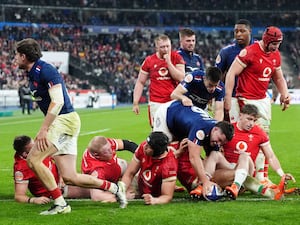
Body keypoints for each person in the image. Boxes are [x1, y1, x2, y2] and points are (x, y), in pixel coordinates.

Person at [14, 38, 127, 215]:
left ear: (23, 56)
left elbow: (58, 102)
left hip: (64, 120)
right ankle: (114, 188)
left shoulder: (46, 69)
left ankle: (60, 204)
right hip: (63, 121)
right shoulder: (32, 74)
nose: (15, 59)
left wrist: (44, 129)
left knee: (33, 160)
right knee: (69, 177)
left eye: (17, 55)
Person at [224, 26, 291, 184]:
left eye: (278, 43)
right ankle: (236, 173)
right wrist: (228, 97)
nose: (276, 47)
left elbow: (279, 78)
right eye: (274, 43)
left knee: (264, 137)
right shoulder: (250, 52)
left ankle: (262, 176)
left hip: (263, 99)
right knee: (249, 135)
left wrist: (285, 94)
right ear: (267, 40)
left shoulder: (275, 55)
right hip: (245, 98)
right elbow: (231, 73)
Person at [202, 104, 295, 200]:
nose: (251, 123)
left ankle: (236, 187)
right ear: (240, 115)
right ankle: (203, 184)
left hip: (246, 169)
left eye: (254, 120)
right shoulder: (229, 130)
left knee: (244, 155)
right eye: (249, 119)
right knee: (214, 154)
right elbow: (211, 153)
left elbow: (270, 156)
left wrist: (282, 174)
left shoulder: (259, 133)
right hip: (227, 170)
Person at [153, 100, 234, 197]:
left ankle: (238, 175)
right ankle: (152, 184)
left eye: (222, 142)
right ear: (215, 129)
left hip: (183, 120)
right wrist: (205, 181)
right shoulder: (201, 129)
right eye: (219, 140)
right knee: (160, 150)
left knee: (213, 154)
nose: (218, 143)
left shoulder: (215, 133)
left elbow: (212, 158)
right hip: (167, 113)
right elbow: (194, 158)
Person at [13, 135, 90, 205]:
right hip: (57, 190)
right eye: (33, 147)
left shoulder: (39, 150)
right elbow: (19, 196)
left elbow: (57, 159)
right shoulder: (21, 168)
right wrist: (33, 200)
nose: (36, 147)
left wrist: (61, 177)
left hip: (63, 181)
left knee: (89, 180)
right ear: (25, 154)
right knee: (92, 189)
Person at [132, 34, 185, 127]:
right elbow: (140, 82)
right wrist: (135, 102)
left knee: (176, 130)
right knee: (157, 133)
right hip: (156, 102)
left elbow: (180, 78)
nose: (166, 49)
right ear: (156, 47)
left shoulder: (176, 58)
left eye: (168, 46)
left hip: (173, 101)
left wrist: (168, 62)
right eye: (162, 47)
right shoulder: (149, 61)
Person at [120, 131, 178, 205]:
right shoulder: (143, 147)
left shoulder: (169, 165)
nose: (145, 146)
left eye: (149, 146)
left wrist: (154, 200)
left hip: (154, 193)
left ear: (157, 151)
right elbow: (130, 173)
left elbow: (167, 196)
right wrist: (122, 191)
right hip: (139, 182)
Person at [215, 19, 254, 122]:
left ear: (250, 31)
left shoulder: (258, 49)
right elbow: (216, 75)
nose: (238, 34)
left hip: (253, 97)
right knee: (231, 132)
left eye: (242, 31)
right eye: (236, 31)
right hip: (232, 98)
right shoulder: (226, 52)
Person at [81, 136, 138, 202]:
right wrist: (121, 196)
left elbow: (128, 144)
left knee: (130, 165)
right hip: (103, 175)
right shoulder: (97, 171)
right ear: (97, 155)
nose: (111, 151)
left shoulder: (106, 144)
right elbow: (97, 196)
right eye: (106, 151)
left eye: (110, 148)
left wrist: (140, 154)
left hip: (110, 166)